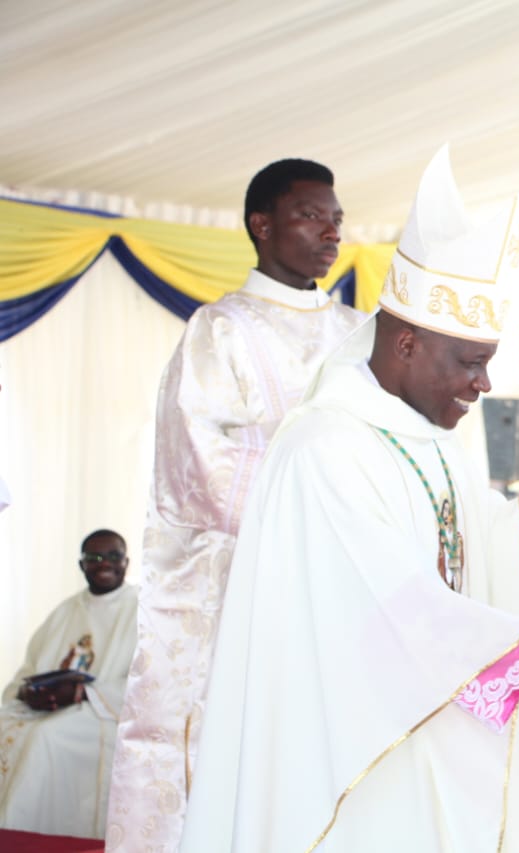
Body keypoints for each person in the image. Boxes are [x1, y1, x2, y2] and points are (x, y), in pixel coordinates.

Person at [177, 148, 519, 853]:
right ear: (406, 342)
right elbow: (394, 607)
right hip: (360, 766)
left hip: (438, 748)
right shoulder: (322, 449)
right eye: (469, 362)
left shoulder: (434, 439)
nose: (482, 384)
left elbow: (496, 563)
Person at [105, 159, 365, 850]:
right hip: (237, 588)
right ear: (263, 224)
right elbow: (197, 464)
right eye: (313, 214)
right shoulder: (219, 331)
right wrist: (319, 506)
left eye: (337, 218)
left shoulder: (359, 335)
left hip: (340, 586)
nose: (331, 230)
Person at [0, 530, 137, 838]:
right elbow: (29, 668)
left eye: (113, 556)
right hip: (48, 708)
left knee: (46, 737)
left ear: (126, 562)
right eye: (94, 558)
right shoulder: (66, 611)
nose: (104, 564)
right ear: (81, 565)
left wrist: (82, 692)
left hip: (104, 712)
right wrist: (26, 693)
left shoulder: (142, 609)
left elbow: (146, 685)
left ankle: (23, 836)